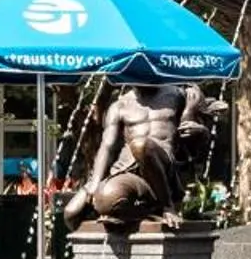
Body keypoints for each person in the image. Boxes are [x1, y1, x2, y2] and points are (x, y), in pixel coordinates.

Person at [63, 82, 224, 230]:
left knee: (141, 145)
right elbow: (107, 147)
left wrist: (201, 132)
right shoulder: (120, 105)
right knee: (72, 213)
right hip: (128, 170)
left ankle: (166, 206)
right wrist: (95, 182)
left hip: (163, 166)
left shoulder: (178, 95)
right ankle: (141, 213)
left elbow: (198, 141)